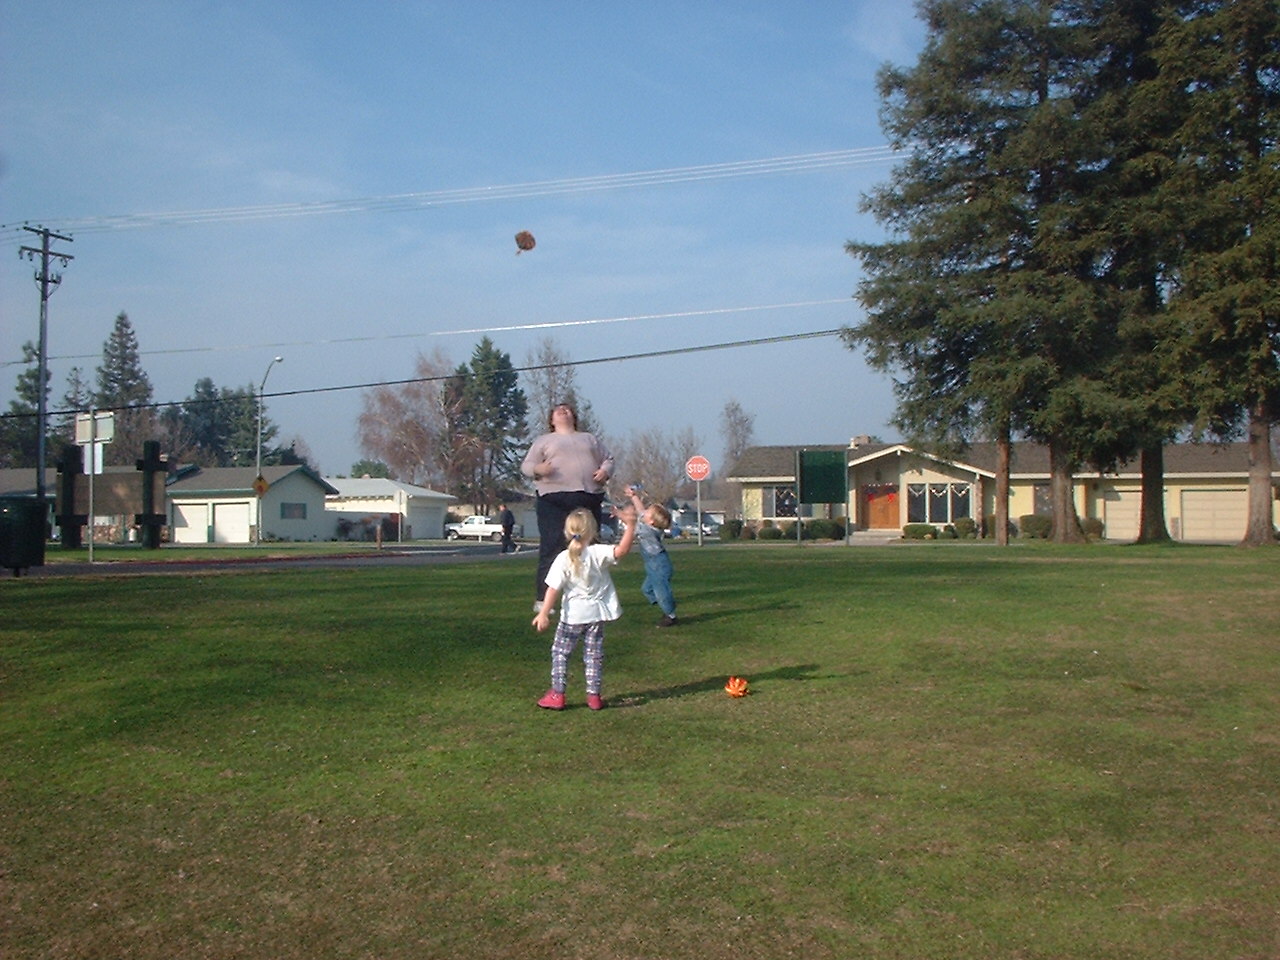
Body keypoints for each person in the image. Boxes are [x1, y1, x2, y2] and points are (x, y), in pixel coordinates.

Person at [533, 505, 636, 711]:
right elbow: (622, 550)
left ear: (567, 531)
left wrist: (544, 613)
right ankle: (594, 696)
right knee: (594, 655)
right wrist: (631, 526)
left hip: (573, 616)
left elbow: (553, 589)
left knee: (561, 653)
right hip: (596, 615)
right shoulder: (598, 553)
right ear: (593, 532)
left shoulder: (563, 558)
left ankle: (558, 694)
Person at [520, 403, 614, 611]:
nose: (563, 410)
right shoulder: (543, 441)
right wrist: (538, 468)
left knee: (590, 549)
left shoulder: (589, 438)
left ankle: (591, 594)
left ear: (574, 417)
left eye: (567, 409)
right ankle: (544, 600)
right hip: (553, 499)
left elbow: (608, 459)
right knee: (552, 547)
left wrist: (605, 471)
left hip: (588, 497)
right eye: (557, 410)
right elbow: (526, 466)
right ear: (551, 420)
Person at [625, 484, 678, 626]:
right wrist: (633, 496)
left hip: (659, 565)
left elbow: (631, 524)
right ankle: (666, 602)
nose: (645, 511)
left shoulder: (647, 531)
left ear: (652, 522)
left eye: (649, 511)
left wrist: (621, 514)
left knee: (661, 592)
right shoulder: (647, 521)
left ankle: (670, 614)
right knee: (646, 589)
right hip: (652, 564)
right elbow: (640, 510)